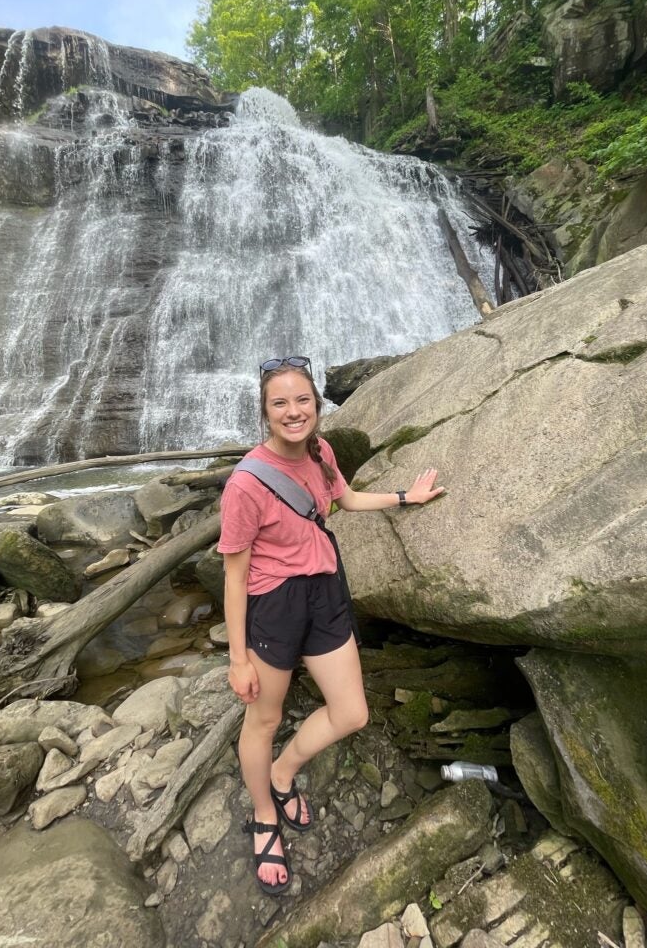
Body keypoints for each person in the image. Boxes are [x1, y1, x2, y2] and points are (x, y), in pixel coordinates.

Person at [218, 355, 444, 894]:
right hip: (274, 605)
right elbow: (233, 576)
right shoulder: (245, 485)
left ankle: (282, 773)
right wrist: (237, 658)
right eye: (281, 403)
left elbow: (342, 500)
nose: (294, 412)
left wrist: (404, 497)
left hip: (325, 591)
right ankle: (263, 817)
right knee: (263, 722)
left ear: (316, 406)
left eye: (303, 401)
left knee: (351, 712)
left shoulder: (321, 451)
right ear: (266, 413)